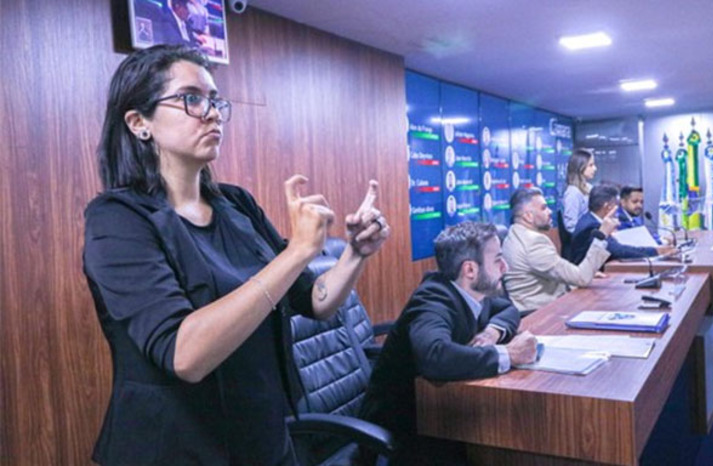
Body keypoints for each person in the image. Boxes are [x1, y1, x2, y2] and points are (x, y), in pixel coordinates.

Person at [83, 45, 390, 465]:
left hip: (262, 437)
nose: (211, 113)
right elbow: (185, 355)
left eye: (214, 100)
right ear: (139, 123)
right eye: (191, 99)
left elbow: (315, 301)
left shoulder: (236, 204)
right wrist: (297, 252)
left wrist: (355, 253)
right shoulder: (118, 219)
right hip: (176, 449)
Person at [359, 222, 537, 464]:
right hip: (404, 432)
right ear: (470, 270)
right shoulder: (433, 301)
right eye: (497, 260)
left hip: (442, 414)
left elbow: (508, 309)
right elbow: (435, 355)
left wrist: (492, 332)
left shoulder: (471, 292)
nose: (505, 267)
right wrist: (508, 354)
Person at [501, 188, 617, 313]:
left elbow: (559, 277)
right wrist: (602, 235)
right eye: (544, 208)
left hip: (539, 309)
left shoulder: (515, 234)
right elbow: (582, 278)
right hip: (540, 315)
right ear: (528, 216)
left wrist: (585, 272)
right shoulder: (533, 243)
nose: (550, 211)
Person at [569, 185, 674, 265]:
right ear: (608, 207)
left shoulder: (589, 219)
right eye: (616, 205)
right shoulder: (592, 226)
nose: (618, 210)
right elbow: (618, 250)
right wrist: (656, 251)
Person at [561, 148, 597, 234]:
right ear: (580, 167)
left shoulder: (589, 188)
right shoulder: (573, 193)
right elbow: (571, 226)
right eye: (590, 165)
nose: (595, 168)